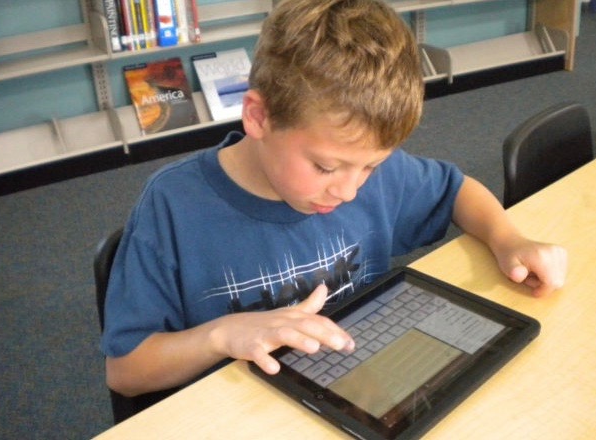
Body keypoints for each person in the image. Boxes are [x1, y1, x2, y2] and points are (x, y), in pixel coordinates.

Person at [101, 0, 567, 398]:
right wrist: (222, 336)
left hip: (356, 388)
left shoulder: (362, 169)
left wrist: (507, 238)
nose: (348, 191)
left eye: (371, 166)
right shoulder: (174, 206)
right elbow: (126, 372)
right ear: (259, 117)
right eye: (325, 167)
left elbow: (457, 190)